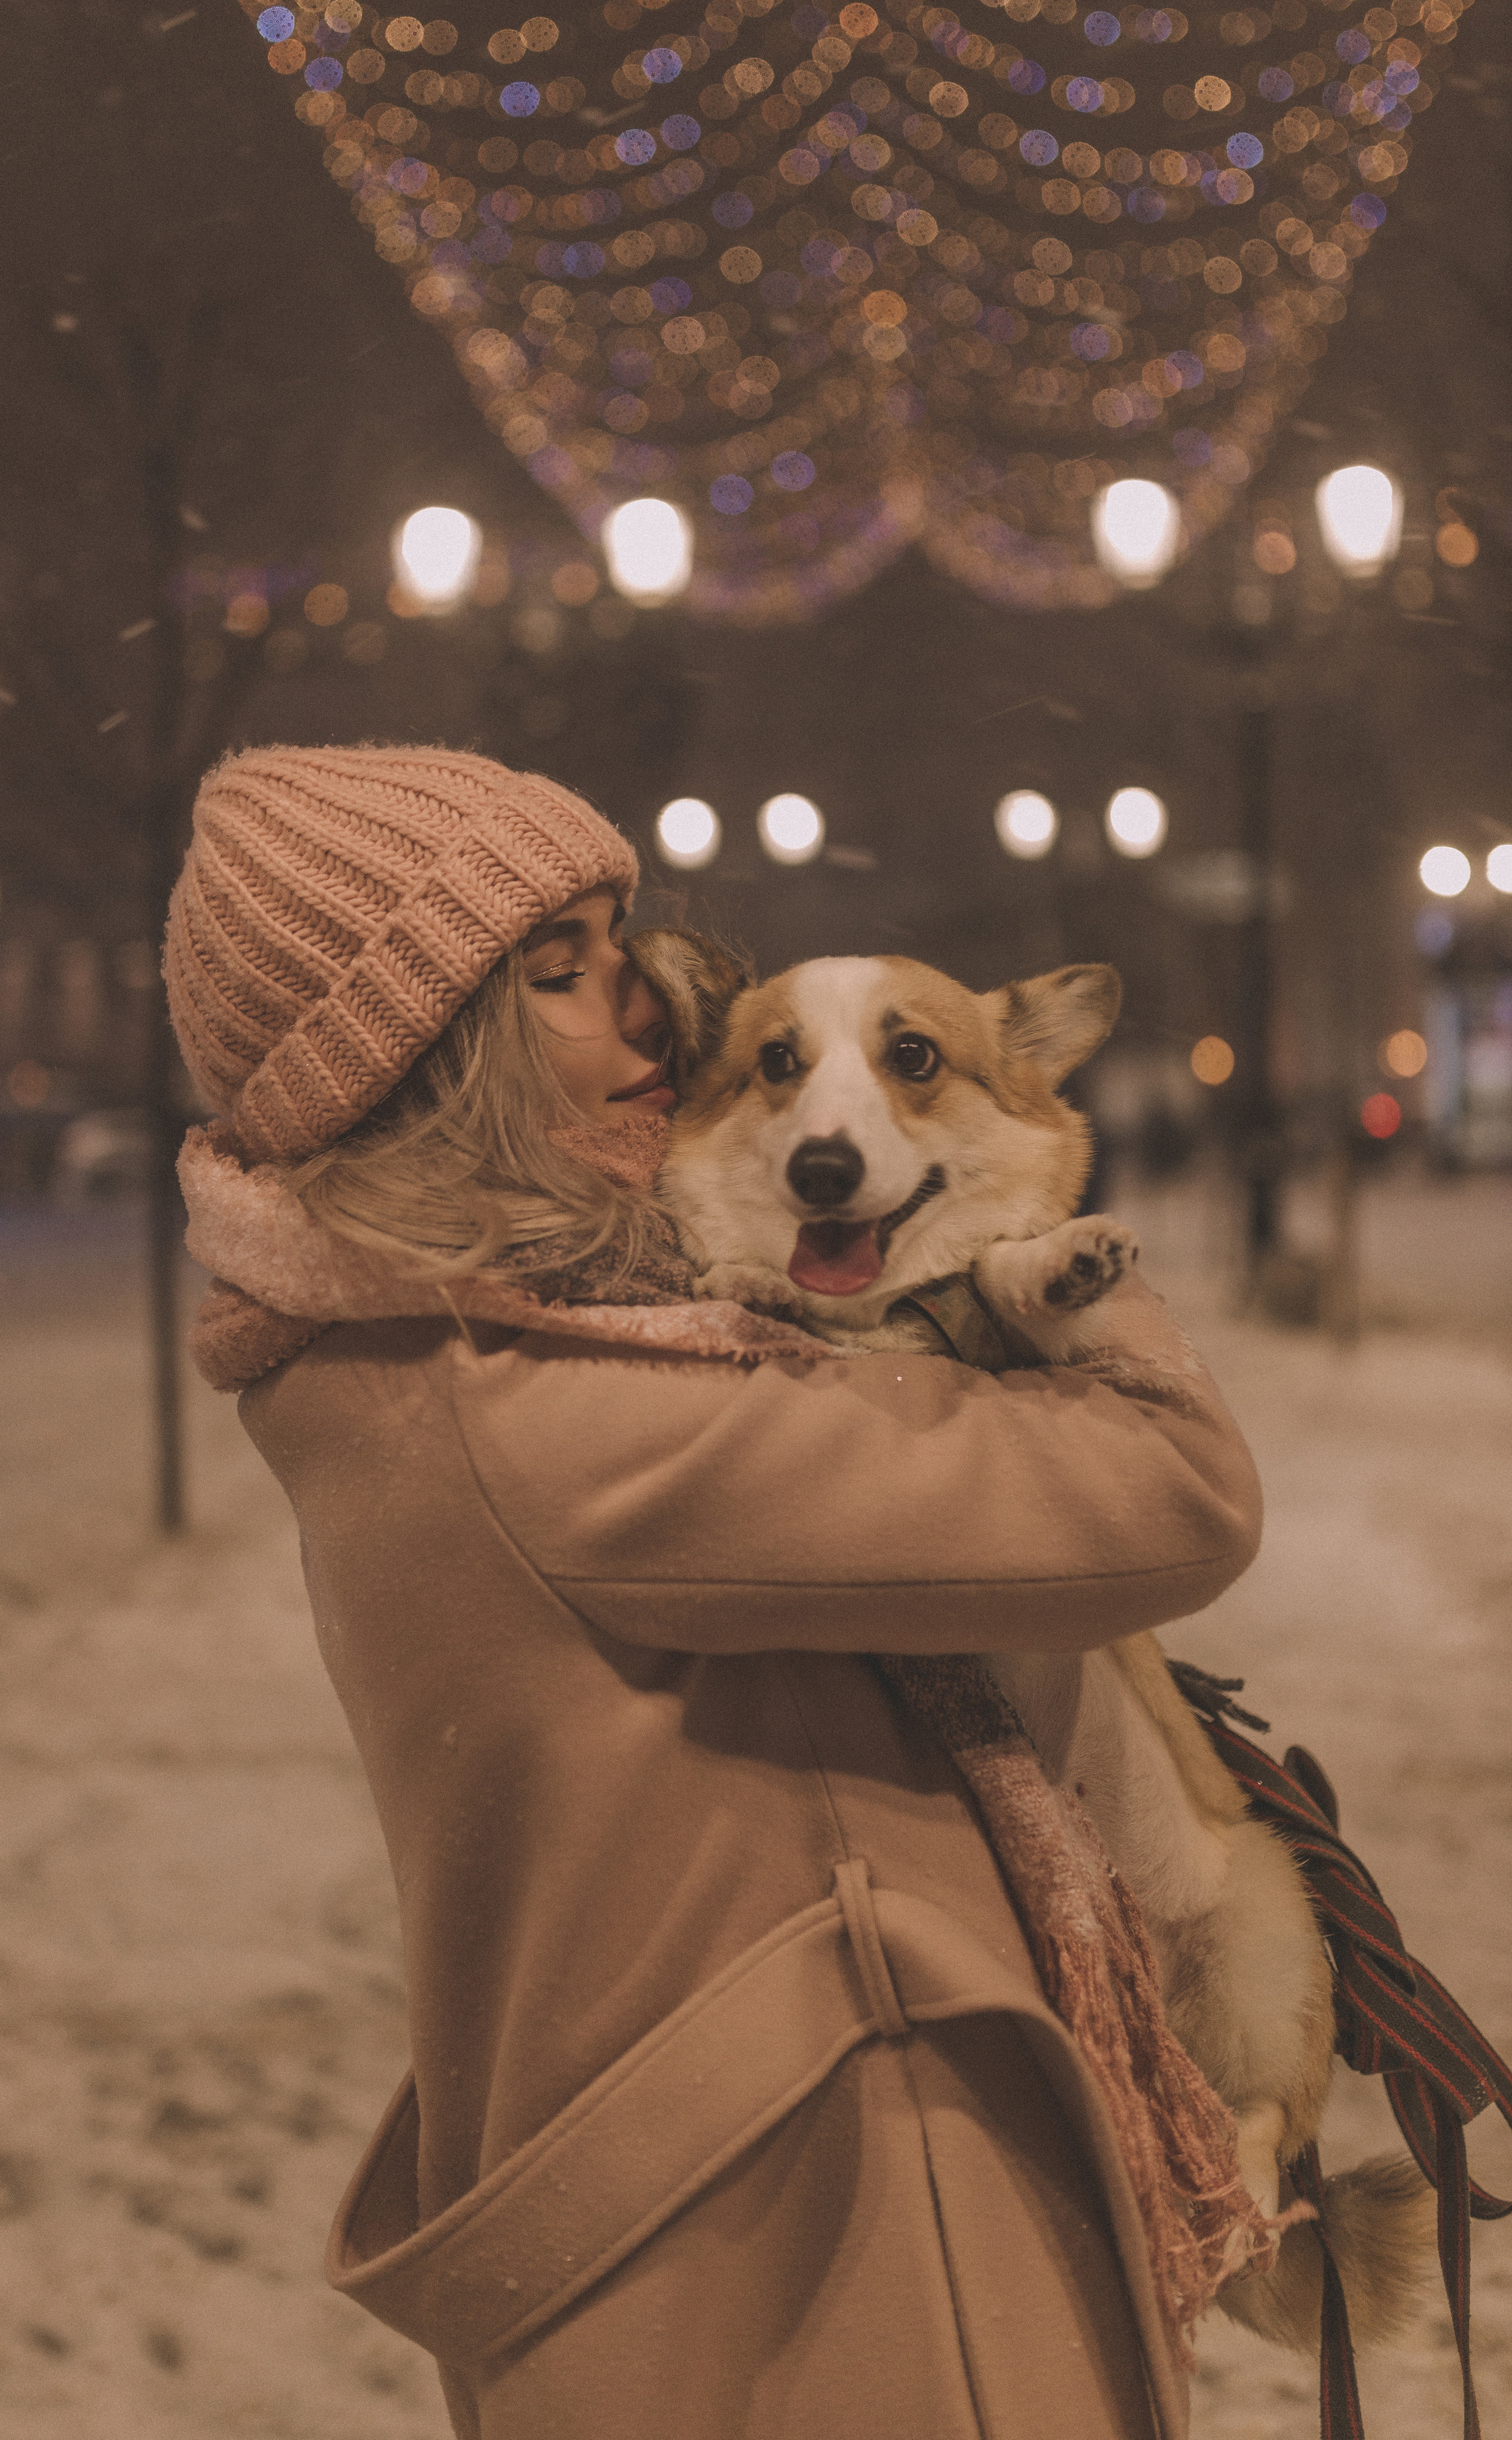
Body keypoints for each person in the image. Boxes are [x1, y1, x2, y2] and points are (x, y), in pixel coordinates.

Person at [165, 742, 1263, 2440]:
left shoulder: (490, 1350)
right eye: (561, 975)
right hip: (812, 2250)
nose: (648, 1013)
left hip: (762, 2213)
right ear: (433, 1070)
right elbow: (1167, 1502)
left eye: (621, 946)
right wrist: (1076, 1310)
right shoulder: (543, 1415)